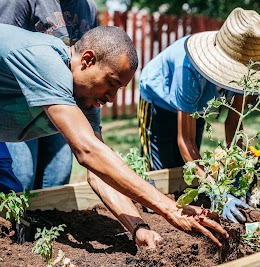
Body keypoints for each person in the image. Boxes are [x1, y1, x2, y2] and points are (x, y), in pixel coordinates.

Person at [0, 24, 228, 247]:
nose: (111, 98)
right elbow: (87, 151)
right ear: (88, 60)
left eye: (118, 90)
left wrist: (138, 227)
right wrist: (170, 209)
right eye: (111, 84)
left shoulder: (86, 103)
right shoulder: (45, 61)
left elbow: (98, 172)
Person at [138, 8, 260, 223]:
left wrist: (239, 173)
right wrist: (218, 193)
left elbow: (233, 123)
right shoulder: (189, 69)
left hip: (198, 105)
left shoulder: (244, 72)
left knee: (188, 177)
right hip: (159, 101)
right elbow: (185, 141)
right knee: (161, 182)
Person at [0, 0, 97, 191]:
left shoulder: (88, 7)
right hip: (20, 105)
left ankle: (45, 221)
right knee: (23, 176)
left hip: (64, 104)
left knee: (58, 176)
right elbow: (6, 48)